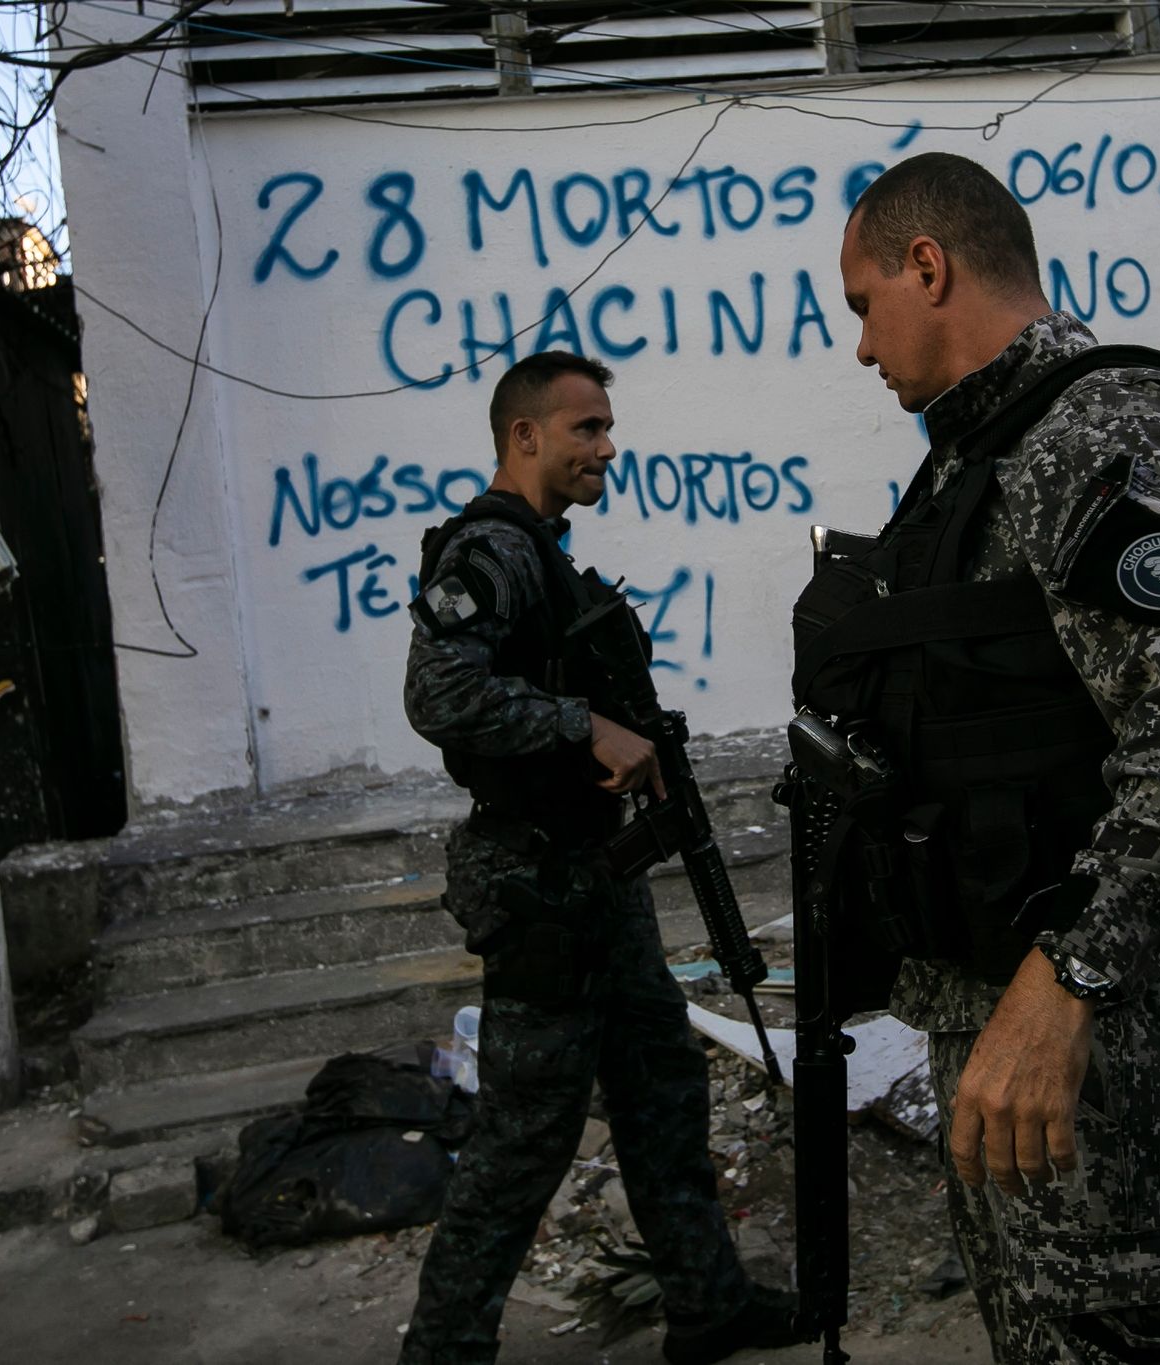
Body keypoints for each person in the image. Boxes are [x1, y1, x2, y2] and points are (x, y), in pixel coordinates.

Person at [807, 152, 1160, 1363]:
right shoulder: (987, 452)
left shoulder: (1107, 430)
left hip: (1101, 1062)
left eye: (863, 304)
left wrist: (1063, 984)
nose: (862, 349)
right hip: (1009, 1037)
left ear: (927, 267)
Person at [398, 351, 800, 1365]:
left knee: (660, 1086)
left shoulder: (541, 552)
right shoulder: (489, 551)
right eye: (584, 429)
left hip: (592, 874)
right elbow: (435, 694)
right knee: (522, 1139)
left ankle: (706, 1307)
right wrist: (587, 728)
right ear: (523, 435)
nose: (605, 448)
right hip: (535, 884)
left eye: (605, 427)